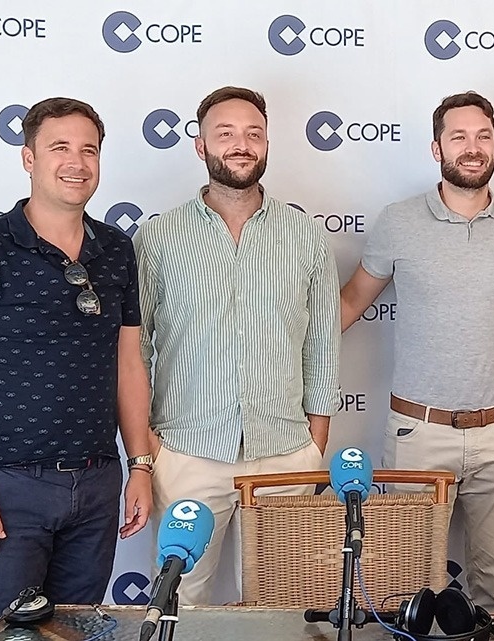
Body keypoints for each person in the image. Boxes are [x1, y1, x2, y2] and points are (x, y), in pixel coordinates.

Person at [0, 97, 153, 634]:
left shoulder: (117, 249)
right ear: (29, 157)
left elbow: (128, 364)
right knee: (5, 634)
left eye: (89, 150)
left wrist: (140, 465)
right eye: (60, 148)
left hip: (96, 486)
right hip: (6, 489)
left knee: (73, 633)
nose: (77, 162)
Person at [340, 91, 494, 612]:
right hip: (418, 433)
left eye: (483, 136)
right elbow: (352, 301)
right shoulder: (398, 220)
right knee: (405, 589)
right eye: (459, 137)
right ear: (436, 147)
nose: (473, 147)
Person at [134, 86, 340, 605]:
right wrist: (150, 449)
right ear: (200, 146)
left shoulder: (306, 236)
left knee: (284, 608)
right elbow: (134, 351)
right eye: (225, 133)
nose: (241, 144)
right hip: (186, 452)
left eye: (253, 134)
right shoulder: (156, 239)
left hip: (286, 455)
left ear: (268, 144)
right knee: (181, 609)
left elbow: (321, 344)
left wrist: (316, 442)